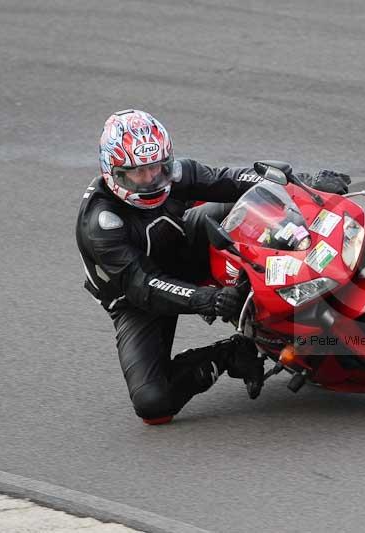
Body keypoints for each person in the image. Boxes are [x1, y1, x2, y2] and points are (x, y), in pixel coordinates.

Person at [75, 109, 350, 425]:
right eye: (139, 173)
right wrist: (205, 298)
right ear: (113, 172)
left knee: (255, 202)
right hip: (138, 300)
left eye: (158, 168)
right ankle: (232, 354)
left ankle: (318, 264)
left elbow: (230, 179)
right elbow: (143, 285)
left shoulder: (174, 174)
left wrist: (307, 184)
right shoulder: (101, 225)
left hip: (187, 243)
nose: (152, 180)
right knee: (153, 403)